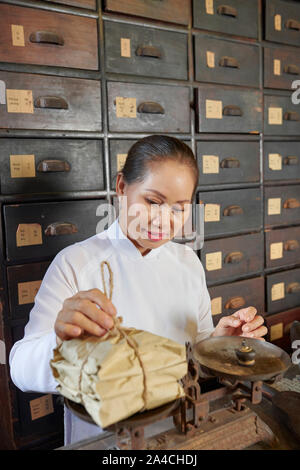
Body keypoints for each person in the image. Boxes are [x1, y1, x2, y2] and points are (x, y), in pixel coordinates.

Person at [9, 135, 267, 446]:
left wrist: (220, 343)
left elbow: (193, 355)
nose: (163, 220)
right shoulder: (76, 262)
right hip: (106, 437)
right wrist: (61, 343)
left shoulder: (187, 262)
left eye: (179, 208)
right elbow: (20, 370)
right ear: (121, 187)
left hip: (182, 429)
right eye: (152, 201)